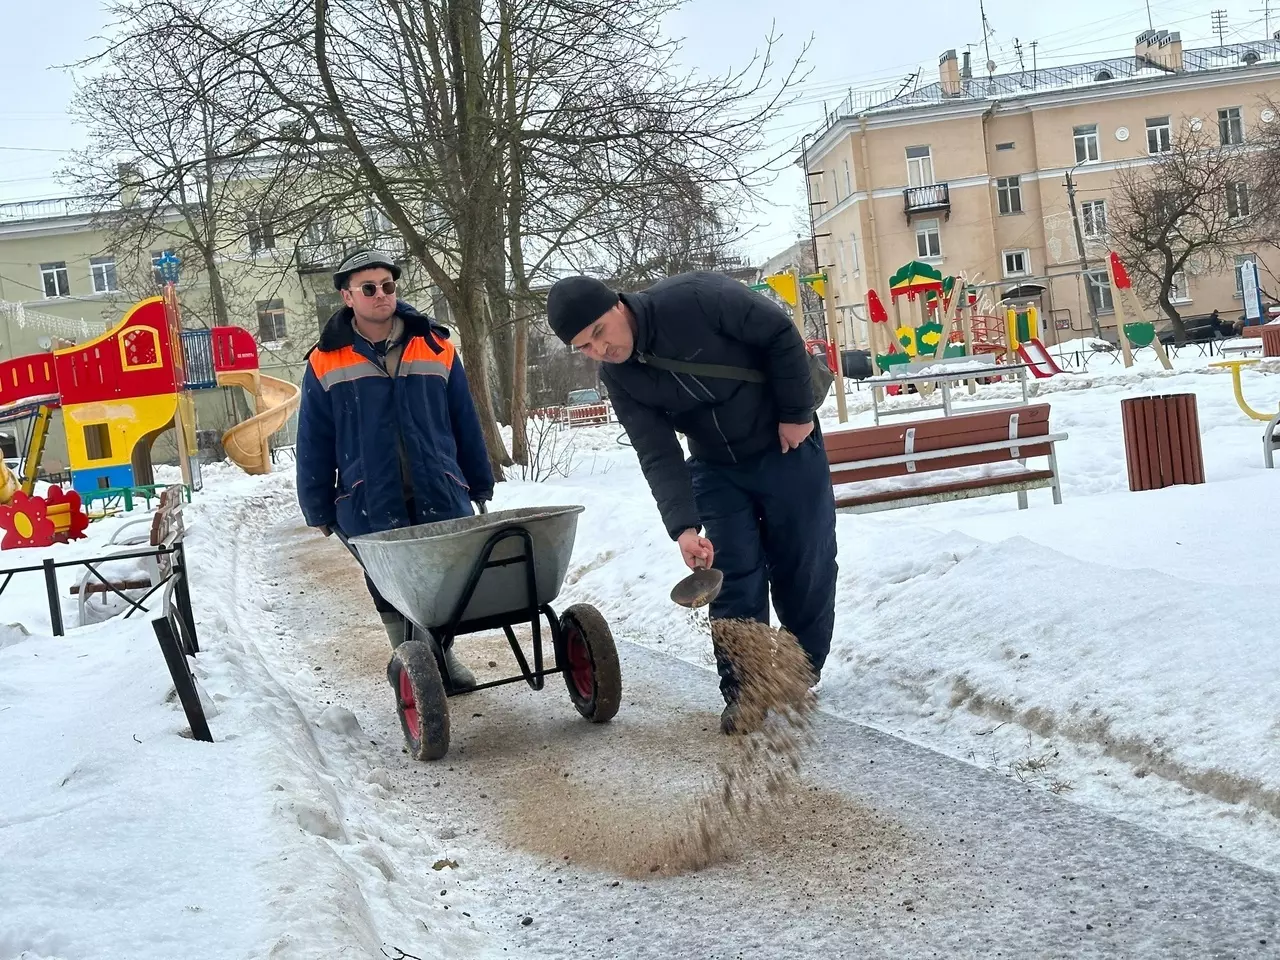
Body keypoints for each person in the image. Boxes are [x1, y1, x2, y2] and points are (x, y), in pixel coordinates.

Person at [546, 271, 838, 734]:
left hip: (785, 443)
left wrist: (796, 413)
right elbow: (656, 450)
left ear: (617, 305)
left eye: (599, 332)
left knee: (804, 561)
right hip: (715, 465)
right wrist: (683, 526)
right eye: (585, 346)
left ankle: (799, 667)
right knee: (732, 572)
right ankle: (745, 691)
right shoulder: (619, 377)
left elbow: (779, 333)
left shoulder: (695, 299)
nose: (600, 349)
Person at [296, 249, 494, 689]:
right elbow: (314, 438)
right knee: (386, 582)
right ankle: (408, 661)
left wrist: (479, 481)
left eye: (387, 285)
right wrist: (317, 506)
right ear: (348, 296)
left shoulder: (437, 347)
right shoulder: (325, 361)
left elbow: (465, 420)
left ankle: (442, 657)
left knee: (442, 579)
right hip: (369, 494)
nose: (381, 294)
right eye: (368, 288)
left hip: (437, 485)